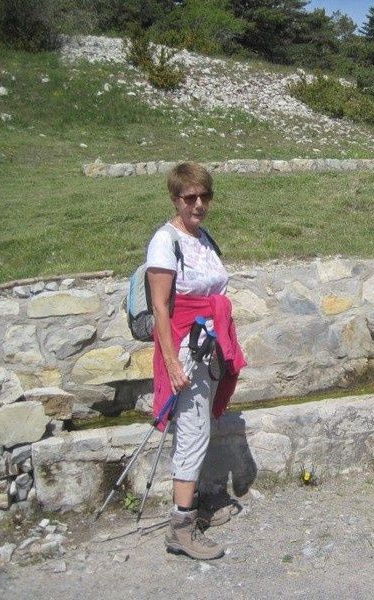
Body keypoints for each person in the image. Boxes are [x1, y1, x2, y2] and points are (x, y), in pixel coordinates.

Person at [147, 162, 246, 559]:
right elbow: (160, 307)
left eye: (205, 196)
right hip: (186, 351)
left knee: (200, 427)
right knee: (190, 431)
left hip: (210, 346)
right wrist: (172, 364)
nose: (199, 203)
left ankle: (191, 510)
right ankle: (180, 527)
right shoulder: (165, 241)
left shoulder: (203, 237)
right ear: (175, 199)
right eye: (190, 197)